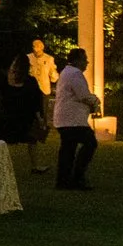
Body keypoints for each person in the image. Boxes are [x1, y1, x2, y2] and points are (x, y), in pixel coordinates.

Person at [52, 47, 98, 190]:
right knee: (90, 143)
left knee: (68, 149)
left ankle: (64, 180)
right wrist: (95, 100)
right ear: (78, 61)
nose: (87, 62)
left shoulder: (66, 72)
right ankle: (78, 176)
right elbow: (83, 95)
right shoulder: (75, 74)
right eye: (85, 60)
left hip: (64, 119)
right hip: (73, 120)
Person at [0, 54, 46, 174]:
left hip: (21, 116)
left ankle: (35, 165)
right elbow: (0, 95)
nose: (13, 67)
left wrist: (39, 118)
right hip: (12, 116)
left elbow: (36, 101)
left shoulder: (29, 81)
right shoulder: (5, 80)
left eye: (15, 64)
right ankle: (1, 166)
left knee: (31, 140)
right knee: (6, 141)